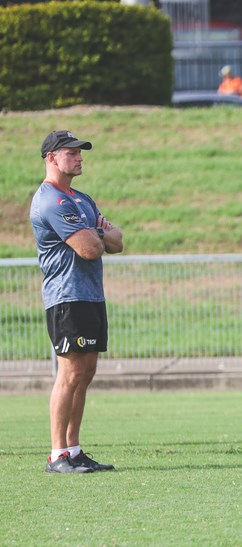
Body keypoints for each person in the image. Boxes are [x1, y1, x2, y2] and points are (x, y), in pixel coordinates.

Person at [30, 130, 124, 473]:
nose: (80, 157)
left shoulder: (82, 199)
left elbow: (118, 241)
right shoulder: (51, 201)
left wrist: (97, 234)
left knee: (86, 372)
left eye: (80, 152)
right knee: (69, 372)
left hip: (90, 296)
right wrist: (98, 233)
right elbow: (90, 247)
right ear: (51, 158)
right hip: (66, 298)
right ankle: (57, 455)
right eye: (71, 153)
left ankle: (74, 448)